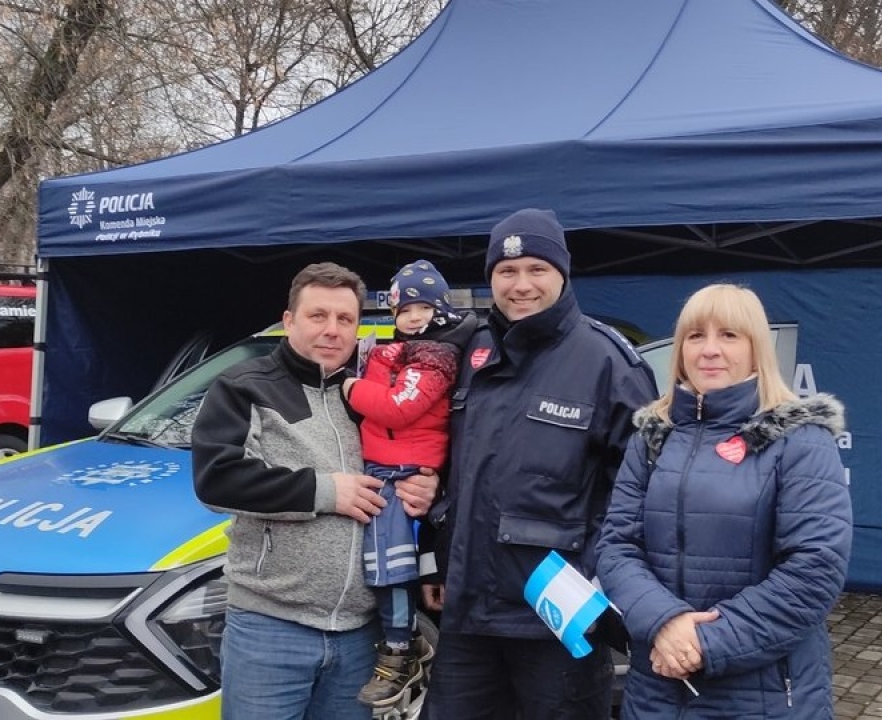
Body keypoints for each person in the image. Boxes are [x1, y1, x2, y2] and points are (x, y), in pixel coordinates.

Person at [420, 208, 658, 719]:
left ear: (562, 274)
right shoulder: (473, 351)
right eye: (506, 271)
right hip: (468, 616)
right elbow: (448, 468)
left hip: (557, 619)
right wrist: (436, 555)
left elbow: (642, 496)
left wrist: (593, 581)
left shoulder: (608, 364)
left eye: (536, 269)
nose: (521, 284)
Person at [192, 261, 437, 720]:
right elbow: (217, 479)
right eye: (317, 315)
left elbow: (419, 452)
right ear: (289, 321)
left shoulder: (373, 395)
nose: (332, 330)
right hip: (270, 628)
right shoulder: (244, 387)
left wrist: (427, 485)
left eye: (345, 319)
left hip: (361, 635)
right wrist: (324, 492)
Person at [595, 283, 852, 719]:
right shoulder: (652, 438)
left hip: (763, 697)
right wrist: (664, 622)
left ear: (756, 349)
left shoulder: (801, 440)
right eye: (696, 336)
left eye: (729, 335)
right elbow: (617, 545)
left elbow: (815, 568)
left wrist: (704, 643)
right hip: (656, 690)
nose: (710, 350)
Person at [341, 259, 475, 708]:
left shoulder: (435, 357)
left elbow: (399, 407)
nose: (414, 317)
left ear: (441, 308)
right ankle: (404, 641)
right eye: (404, 310)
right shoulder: (393, 351)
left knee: (391, 568)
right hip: (381, 469)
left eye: (423, 307)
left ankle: (400, 647)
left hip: (400, 473)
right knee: (383, 566)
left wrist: (350, 387)